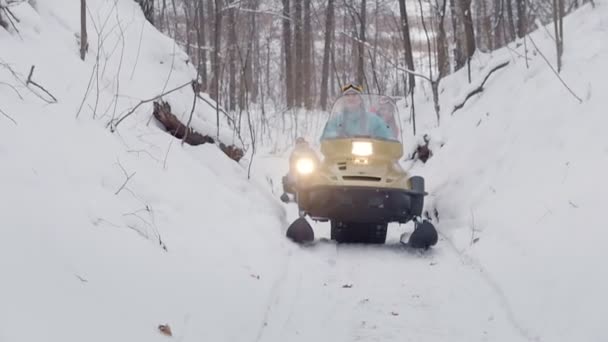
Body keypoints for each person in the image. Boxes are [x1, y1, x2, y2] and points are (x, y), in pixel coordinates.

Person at [322, 84, 392, 140]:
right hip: (341, 155)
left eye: (354, 95)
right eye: (347, 95)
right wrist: (336, 135)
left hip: (369, 156)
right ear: (343, 100)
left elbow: (388, 135)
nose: (351, 98)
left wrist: (377, 138)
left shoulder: (373, 119)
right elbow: (325, 136)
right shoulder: (336, 120)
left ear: (360, 99)